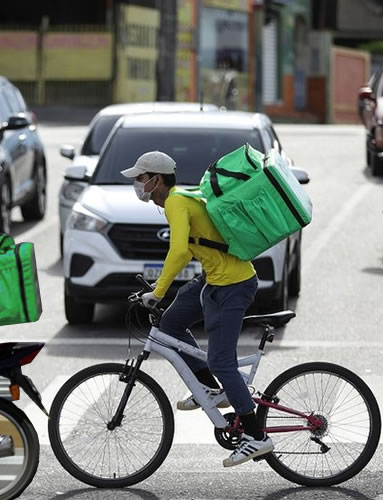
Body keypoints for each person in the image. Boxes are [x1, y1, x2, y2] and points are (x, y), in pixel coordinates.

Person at [120, 151, 273, 467]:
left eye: (140, 177)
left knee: (221, 360)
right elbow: (195, 248)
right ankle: (210, 388)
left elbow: (177, 252)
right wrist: (160, 292)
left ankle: (256, 436)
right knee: (170, 323)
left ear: (156, 180)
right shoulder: (177, 200)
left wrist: (158, 291)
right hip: (213, 279)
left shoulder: (176, 202)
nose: (136, 183)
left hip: (232, 285)